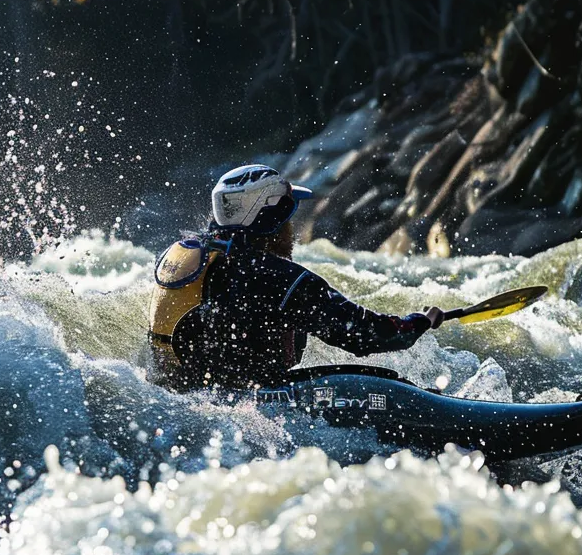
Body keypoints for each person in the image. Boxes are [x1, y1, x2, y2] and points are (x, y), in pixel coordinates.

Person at [148, 165, 444, 391]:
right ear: (271, 219)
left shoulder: (188, 256)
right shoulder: (275, 276)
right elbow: (364, 334)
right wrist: (419, 322)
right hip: (252, 402)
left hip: (180, 391)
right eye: (287, 218)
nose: (292, 229)